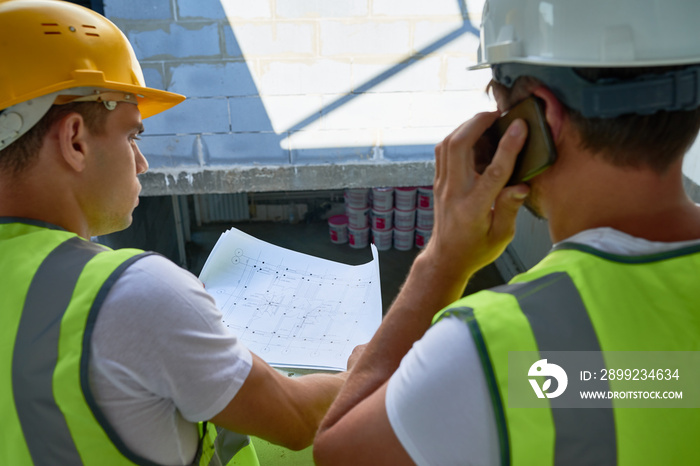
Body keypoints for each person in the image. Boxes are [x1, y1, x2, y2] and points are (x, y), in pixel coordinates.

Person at [314, 0, 700, 464]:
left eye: (500, 108)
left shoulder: (498, 346)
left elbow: (339, 452)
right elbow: (664, 382)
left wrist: (442, 261)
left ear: (541, 117)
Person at [0, 1, 359, 465]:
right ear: (75, 140)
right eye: (132, 136)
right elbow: (294, 421)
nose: (143, 163)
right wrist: (364, 367)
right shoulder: (132, 293)